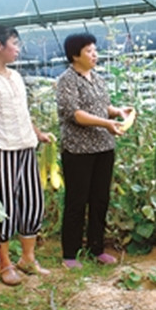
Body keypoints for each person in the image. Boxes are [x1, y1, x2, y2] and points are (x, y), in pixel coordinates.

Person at [0, 25, 53, 286]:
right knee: (5, 210)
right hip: (1, 151)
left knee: (33, 204)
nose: (18, 48)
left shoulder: (15, 76)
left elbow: (22, 112)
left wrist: (37, 133)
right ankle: (4, 264)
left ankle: (27, 259)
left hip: (26, 147)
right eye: (14, 43)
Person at [55, 32, 135, 269]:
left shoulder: (97, 79)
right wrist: (106, 123)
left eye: (94, 50)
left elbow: (101, 106)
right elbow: (76, 114)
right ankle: (70, 253)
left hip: (103, 147)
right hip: (79, 150)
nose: (94, 54)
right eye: (89, 51)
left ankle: (96, 248)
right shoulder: (67, 80)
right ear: (74, 55)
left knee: (100, 199)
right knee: (77, 201)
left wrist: (117, 112)